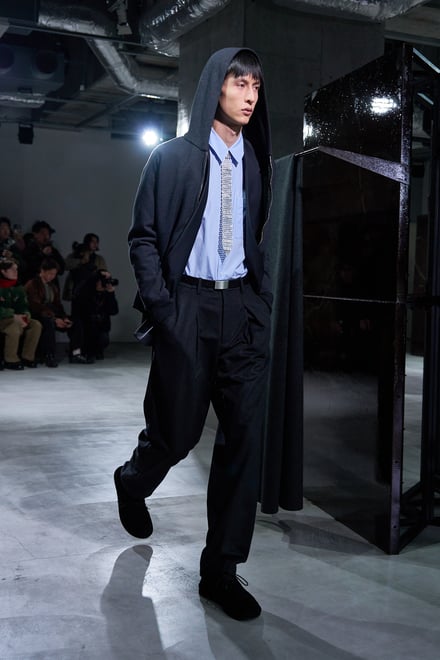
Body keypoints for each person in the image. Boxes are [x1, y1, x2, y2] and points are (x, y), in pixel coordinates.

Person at [113, 48, 273, 621]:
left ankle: (220, 571)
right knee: (176, 434)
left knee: (244, 442)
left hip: (241, 313)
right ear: (215, 86)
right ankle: (133, 481)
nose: (249, 95)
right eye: (239, 83)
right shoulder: (172, 158)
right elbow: (143, 237)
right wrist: (164, 305)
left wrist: (260, 301)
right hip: (188, 306)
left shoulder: (254, 161)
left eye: (256, 86)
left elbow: (256, 235)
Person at [24, 258, 85, 367]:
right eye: (50, 273)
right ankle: (49, 355)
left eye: (54, 274)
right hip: (37, 314)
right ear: (42, 271)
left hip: (51, 314)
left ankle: (75, 353)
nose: (52, 276)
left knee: (75, 322)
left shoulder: (52, 286)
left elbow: (58, 305)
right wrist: (54, 319)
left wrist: (64, 317)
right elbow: (35, 306)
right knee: (48, 323)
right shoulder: (33, 283)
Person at [0, 258, 42, 370]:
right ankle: (11, 359)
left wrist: (26, 315)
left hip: (15, 318)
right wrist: (13, 315)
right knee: (13, 326)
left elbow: (23, 306)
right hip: (3, 318)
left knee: (35, 325)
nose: (16, 272)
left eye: (17, 269)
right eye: (12, 270)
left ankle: (27, 357)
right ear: (3, 271)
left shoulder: (18, 287)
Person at [73, 269, 119, 360]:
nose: (106, 282)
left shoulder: (106, 294)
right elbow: (80, 311)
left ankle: (96, 350)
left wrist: (111, 294)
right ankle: (83, 350)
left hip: (101, 327)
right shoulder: (85, 291)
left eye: (108, 279)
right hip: (85, 327)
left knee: (103, 339)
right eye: (103, 279)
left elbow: (114, 311)